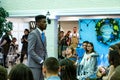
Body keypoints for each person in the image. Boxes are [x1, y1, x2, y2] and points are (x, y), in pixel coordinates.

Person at [27, 15, 48, 80]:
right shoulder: (33, 34)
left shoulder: (43, 34)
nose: (45, 24)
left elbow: (44, 50)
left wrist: (46, 61)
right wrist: (41, 61)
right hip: (34, 66)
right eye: (43, 22)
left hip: (42, 65)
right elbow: (30, 51)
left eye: (46, 22)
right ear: (37, 23)